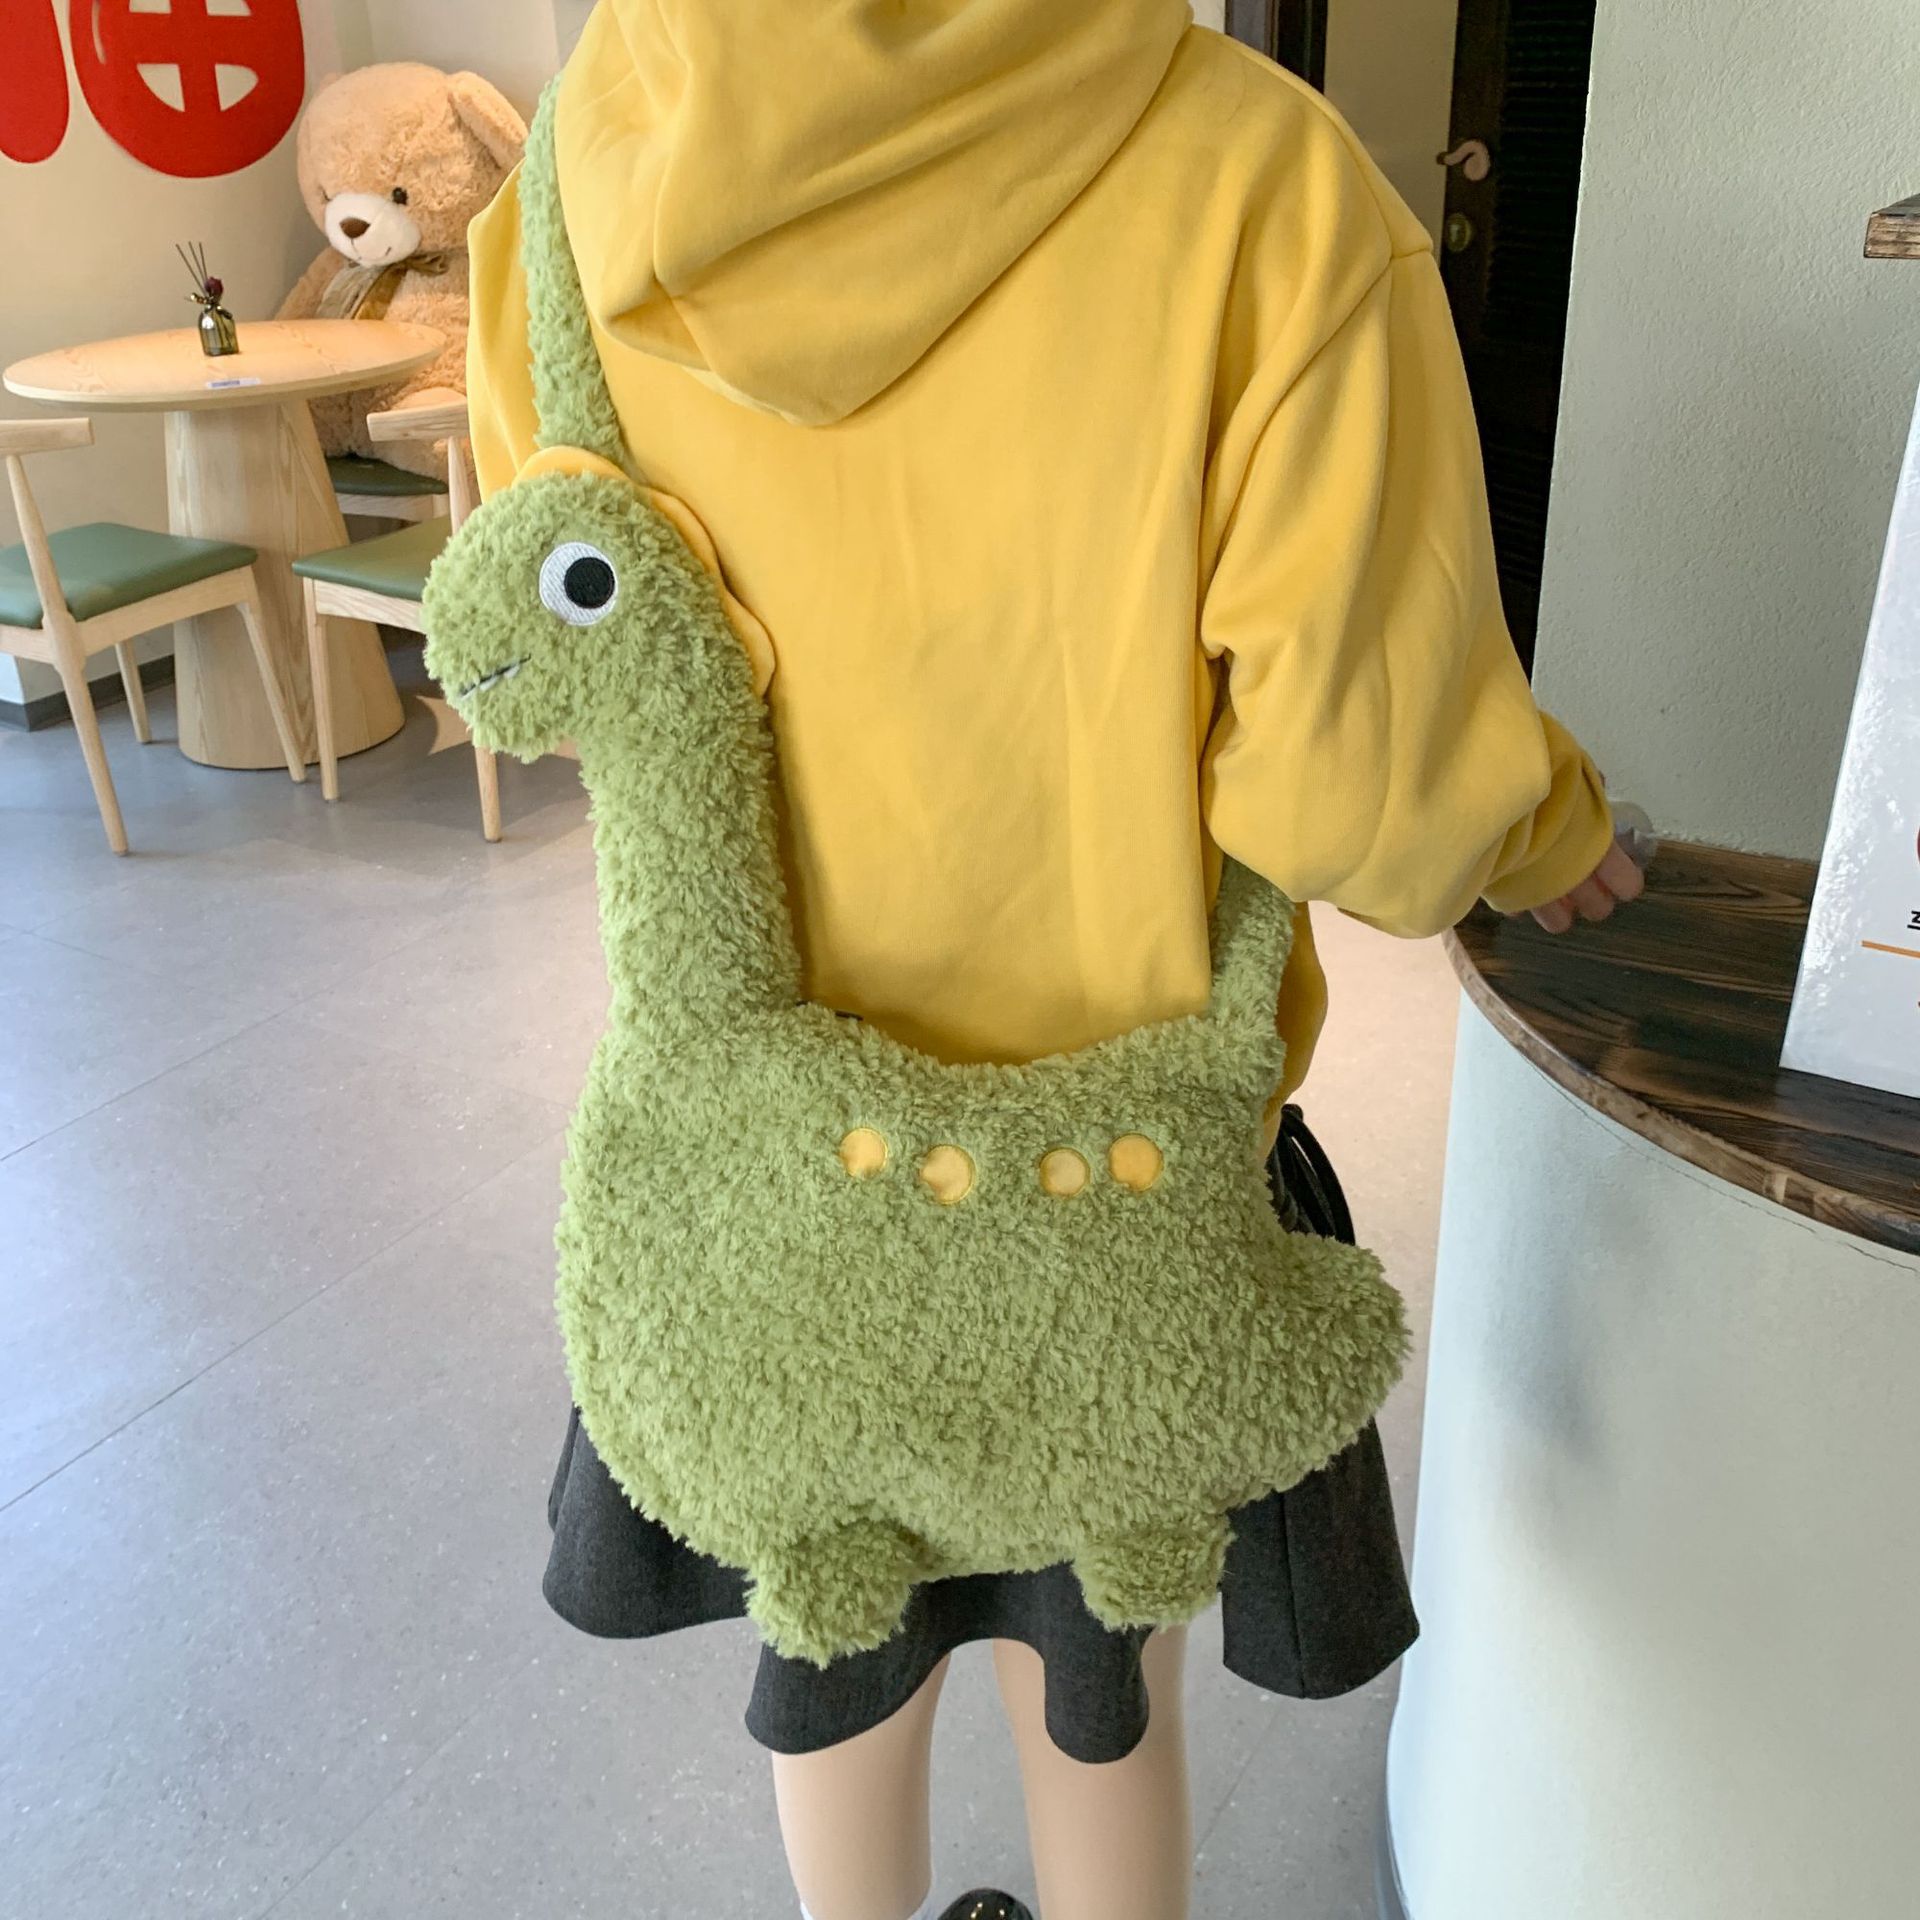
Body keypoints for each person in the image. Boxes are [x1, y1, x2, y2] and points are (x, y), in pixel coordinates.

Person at [462, 5, 1642, 1917]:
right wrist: (1548, 830)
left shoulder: (574, 180)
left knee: (828, 1637)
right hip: (1127, 1165)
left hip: (767, 1185)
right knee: (1107, 1676)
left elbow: (558, 640)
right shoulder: (1263, 183)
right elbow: (1362, 783)